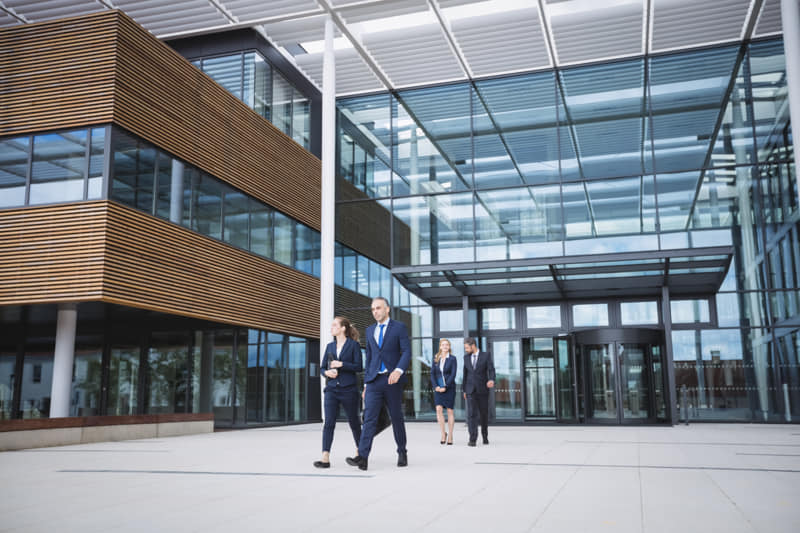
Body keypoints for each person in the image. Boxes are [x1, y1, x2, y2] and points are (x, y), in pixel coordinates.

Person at [346, 297, 411, 471]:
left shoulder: (399, 328)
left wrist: (398, 370)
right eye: (373, 309)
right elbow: (370, 357)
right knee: (368, 419)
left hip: (392, 379)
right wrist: (366, 383)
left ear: (387, 309)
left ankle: (402, 451)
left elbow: (406, 351)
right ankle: (363, 457)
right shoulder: (369, 330)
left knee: (396, 417)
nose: (375, 312)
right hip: (374, 381)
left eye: (378, 308)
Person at [314, 317, 363, 469]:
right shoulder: (329, 346)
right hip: (332, 390)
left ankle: (360, 453)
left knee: (354, 422)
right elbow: (322, 368)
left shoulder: (353, 345)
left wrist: (342, 364)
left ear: (343, 328)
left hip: (349, 389)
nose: (332, 327)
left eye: (335, 325)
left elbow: (359, 366)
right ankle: (325, 457)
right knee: (328, 423)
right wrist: (327, 373)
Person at [462, 337, 495, 447]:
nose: (466, 350)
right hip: (470, 389)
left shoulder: (486, 355)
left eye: (467, 347)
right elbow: (465, 375)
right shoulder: (466, 358)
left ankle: (485, 436)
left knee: (483, 414)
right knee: (471, 414)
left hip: (482, 389)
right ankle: (472, 439)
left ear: (473, 346)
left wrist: (491, 379)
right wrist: (464, 390)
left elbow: (491, 369)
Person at [431, 338, 457, 445]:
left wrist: (445, 386)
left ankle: (450, 435)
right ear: (440, 346)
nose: (445, 347)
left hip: (449, 388)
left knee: (450, 411)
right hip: (438, 388)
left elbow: (453, 374)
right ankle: (443, 433)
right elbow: (432, 374)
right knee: (438, 409)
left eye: (447, 345)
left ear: (449, 347)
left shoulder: (452, 359)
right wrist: (436, 386)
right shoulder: (436, 358)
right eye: (443, 345)